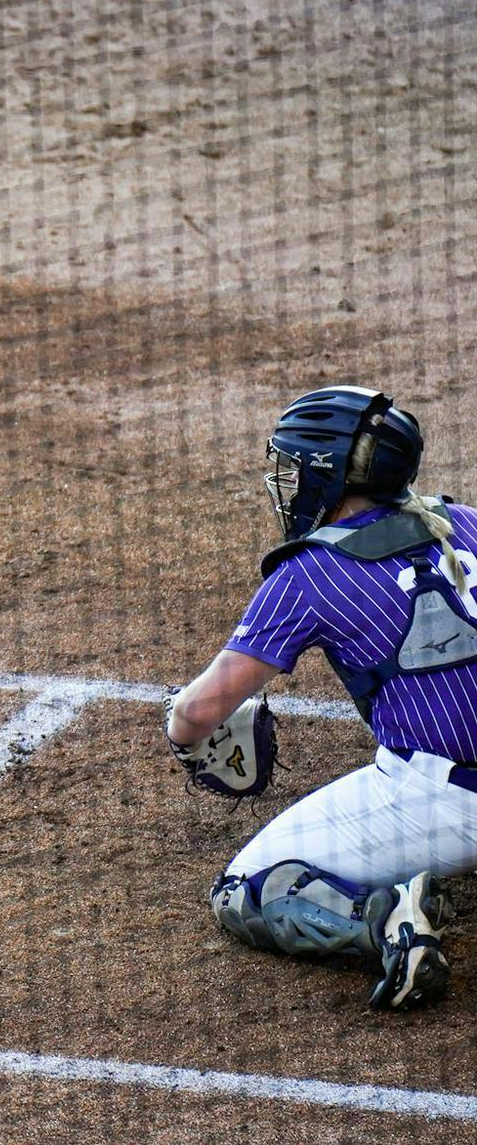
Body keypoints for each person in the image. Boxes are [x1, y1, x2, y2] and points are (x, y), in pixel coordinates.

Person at [165, 386, 477, 1012]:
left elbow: (201, 711)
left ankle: (386, 923)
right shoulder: (466, 521)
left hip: (445, 801)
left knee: (244, 888)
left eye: (292, 466)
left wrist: (180, 730)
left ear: (326, 475)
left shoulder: (308, 573)